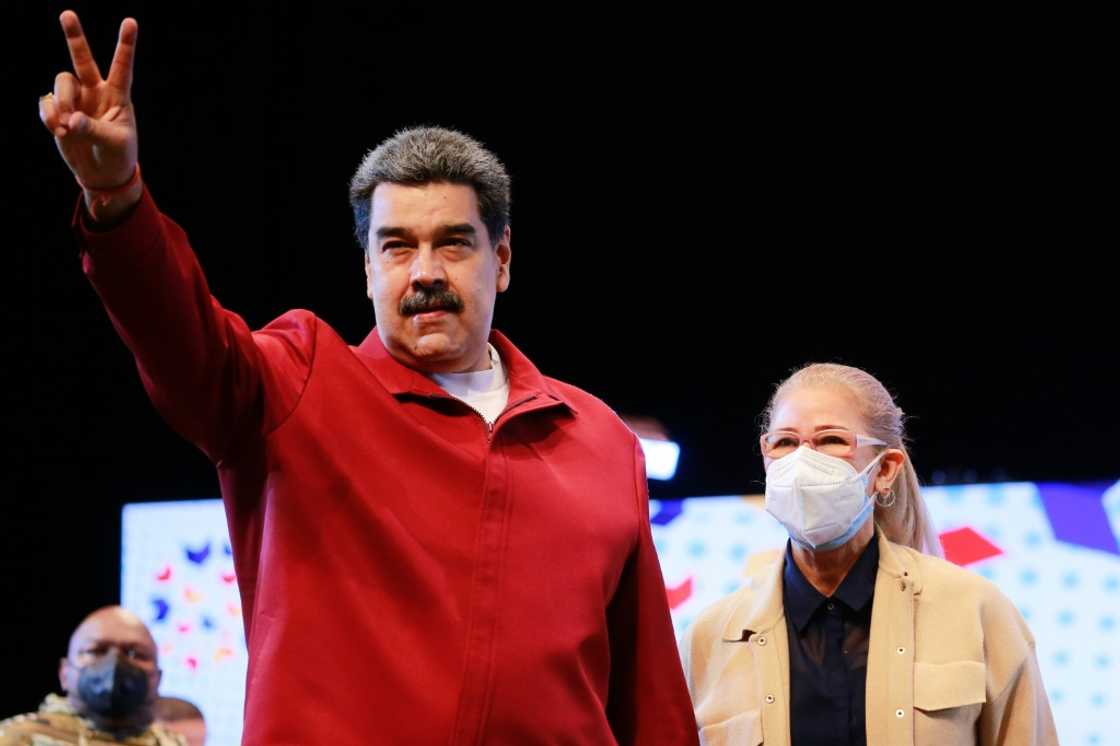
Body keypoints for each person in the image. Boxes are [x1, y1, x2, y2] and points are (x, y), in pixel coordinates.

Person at [37, 10, 696, 746]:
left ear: (502, 259)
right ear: (367, 268)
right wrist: (119, 199)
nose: (424, 274)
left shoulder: (601, 442)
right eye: (396, 247)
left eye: (454, 244)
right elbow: (177, 335)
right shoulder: (298, 385)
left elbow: (652, 702)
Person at [679, 363, 1058, 745]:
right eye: (785, 443)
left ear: (886, 469)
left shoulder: (975, 611)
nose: (802, 462)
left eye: (831, 441)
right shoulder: (709, 639)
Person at [0, 606, 185, 745]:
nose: (115, 662)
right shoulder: (17, 738)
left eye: (134, 654)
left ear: (158, 679)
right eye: (96, 651)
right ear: (64, 672)